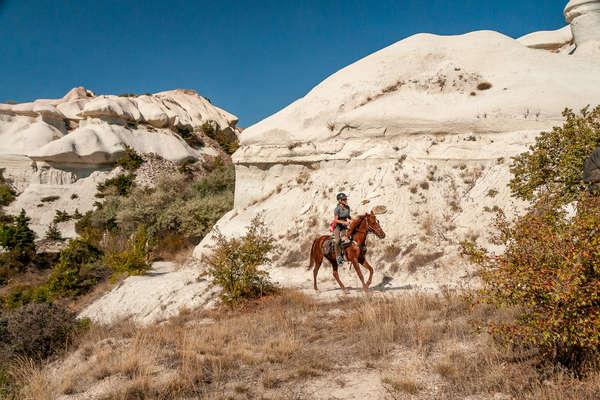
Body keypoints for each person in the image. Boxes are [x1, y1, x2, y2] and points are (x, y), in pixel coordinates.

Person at [333, 192, 351, 265]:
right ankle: (338, 258)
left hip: (344, 227)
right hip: (337, 226)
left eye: (345, 199)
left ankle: (347, 255)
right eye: (344, 199)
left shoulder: (347, 207)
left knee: (346, 239)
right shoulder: (337, 209)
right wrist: (344, 223)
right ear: (339, 201)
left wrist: (353, 219)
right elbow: (335, 220)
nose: (345, 200)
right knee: (337, 241)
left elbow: (348, 216)